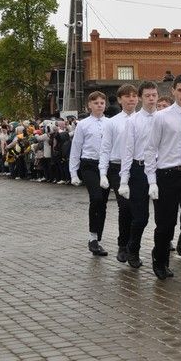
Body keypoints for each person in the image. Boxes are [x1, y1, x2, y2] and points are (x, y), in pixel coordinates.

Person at [145, 74, 181, 290]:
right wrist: (152, 180)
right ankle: (160, 260)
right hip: (167, 175)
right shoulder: (161, 117)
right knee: (166, 224)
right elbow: (151, 149)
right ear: (173, 91)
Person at [119, 81, 158, 268]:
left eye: (154, 95)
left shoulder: (163, 118)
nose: (151, 99)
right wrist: (124, 180)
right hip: (139, 170)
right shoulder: (133, 121)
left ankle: (160, 254)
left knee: (164, 217)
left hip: (160, 170)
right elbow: (127, 151)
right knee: (141, 217)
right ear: (141, 98)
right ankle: (132, 248)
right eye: (148, 95)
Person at [99, 84, 139, 263]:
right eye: (127, 96)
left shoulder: (142, 120)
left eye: (134, 96)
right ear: (120, 99)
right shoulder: (112, 122)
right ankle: (123, 244)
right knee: (125, 206)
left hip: (137, 168)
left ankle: (133, 247)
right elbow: (105, 148)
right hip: (117, 167)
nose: (131, 99)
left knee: (137, 209)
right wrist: (102, 172)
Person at [69, 91, 110, 256]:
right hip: (89, 165)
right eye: (96, 103)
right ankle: (92, 236)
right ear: (89, 105)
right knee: (96, 198)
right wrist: (73, 173)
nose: (99, 105)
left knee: (103, 203)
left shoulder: (110, 123)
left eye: (102, 102)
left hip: (105, 165)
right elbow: (76, 148)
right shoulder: (83, 124)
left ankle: (97, 238)